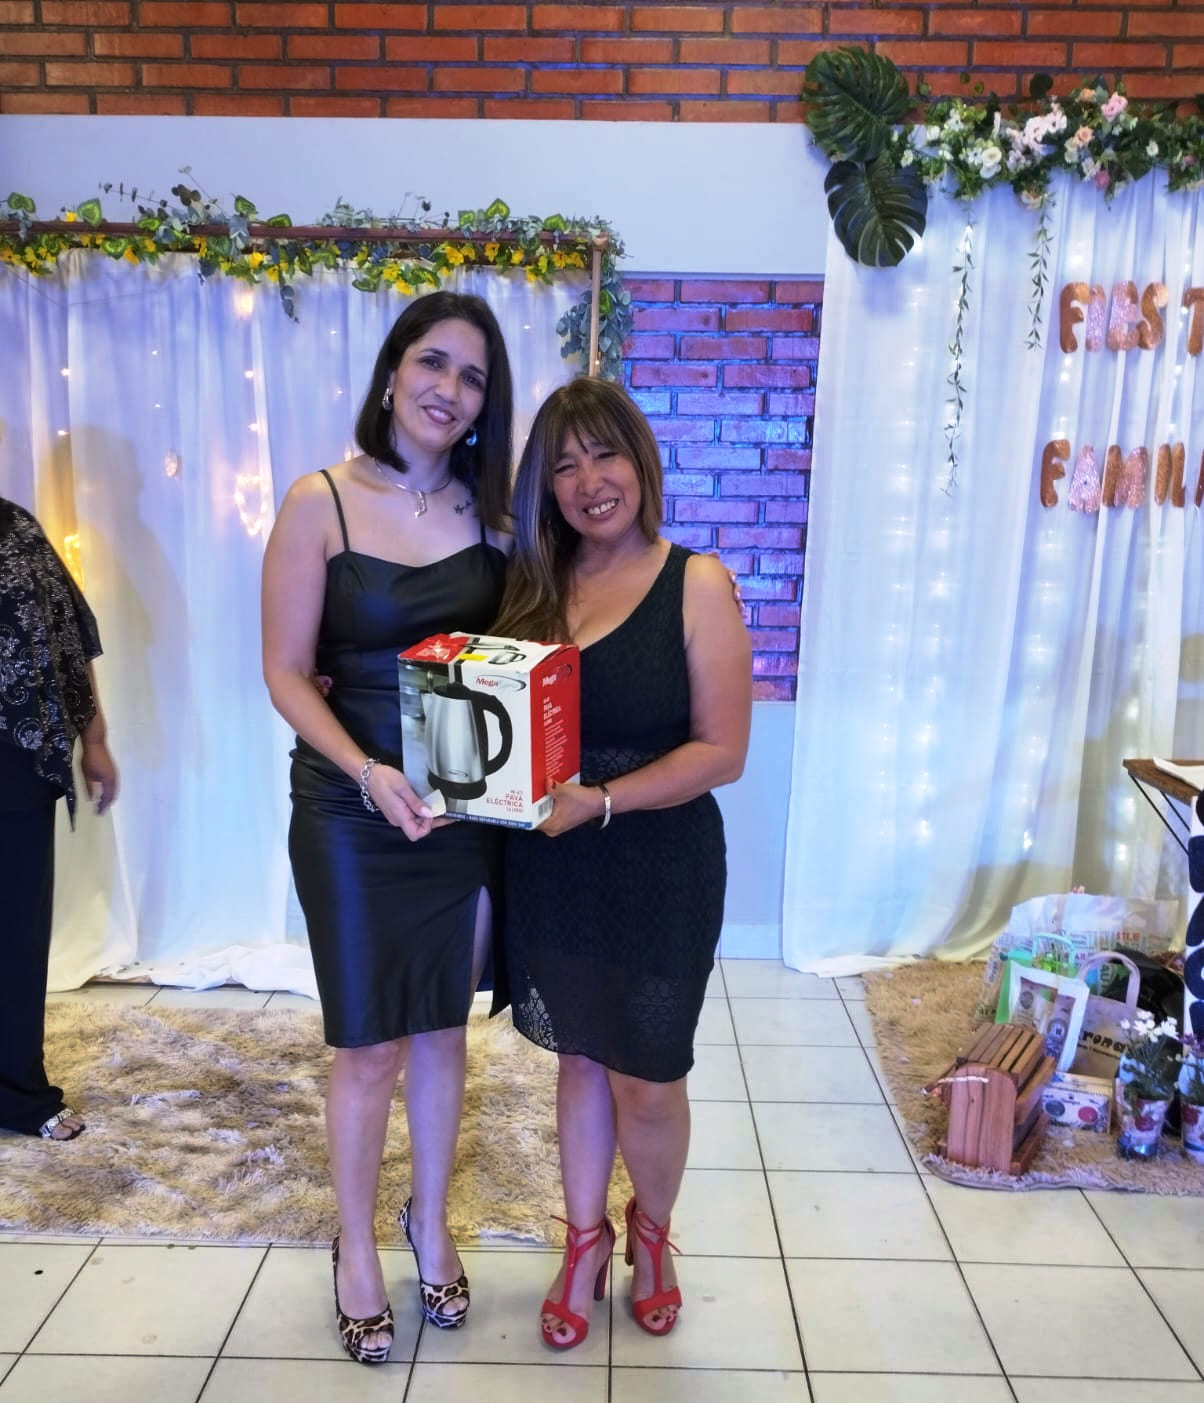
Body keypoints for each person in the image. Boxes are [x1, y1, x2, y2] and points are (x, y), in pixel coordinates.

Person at [261, 292, 514, 1364]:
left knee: (443, 1030)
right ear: (393, 369)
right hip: (347, 803)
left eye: (473, 377)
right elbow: (285, 670)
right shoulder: (317, 500)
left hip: (459, 810)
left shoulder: (495, 520)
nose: (449, 389)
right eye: (434, 362)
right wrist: (367, 771)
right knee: (367, 1043)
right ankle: (356, 1245)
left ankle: (430, 1219)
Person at [493, 377, 752, 1349]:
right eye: (564, 465)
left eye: (604, 454)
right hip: (553, 868)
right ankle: (583, 1241)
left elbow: (722, 751)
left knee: (647, 1074)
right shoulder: (531, 587)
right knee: (580, 1059)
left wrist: (600, 799)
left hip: (660, 867)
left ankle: (652, 1230)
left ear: (640, 461)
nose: (588, 480)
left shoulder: (696, 581)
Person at [0, 497, 119, 1142]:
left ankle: (20, 1096)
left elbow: (68, 640)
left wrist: (94, 740)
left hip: (14, 761)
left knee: (17, 936)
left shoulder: (16, 528)